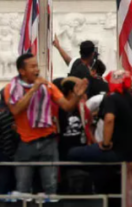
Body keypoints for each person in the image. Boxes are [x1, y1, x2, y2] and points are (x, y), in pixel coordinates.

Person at [3, 53, 86, 194]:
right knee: (23, 187)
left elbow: (67, 106)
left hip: (48, 142)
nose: (37, 70)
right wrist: (33, 89)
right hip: (25, 143)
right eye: (32, 67)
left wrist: (77, 96)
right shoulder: (10, 88)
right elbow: (15, 109)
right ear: (22, 71)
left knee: (50, 187)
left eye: (37, 66)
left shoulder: (48, 86)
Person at [68, 71, 132, 164]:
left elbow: (109, 119)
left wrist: (105, 144)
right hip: (130, 154)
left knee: (72, 152)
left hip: (115, 151)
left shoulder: (112, 98)